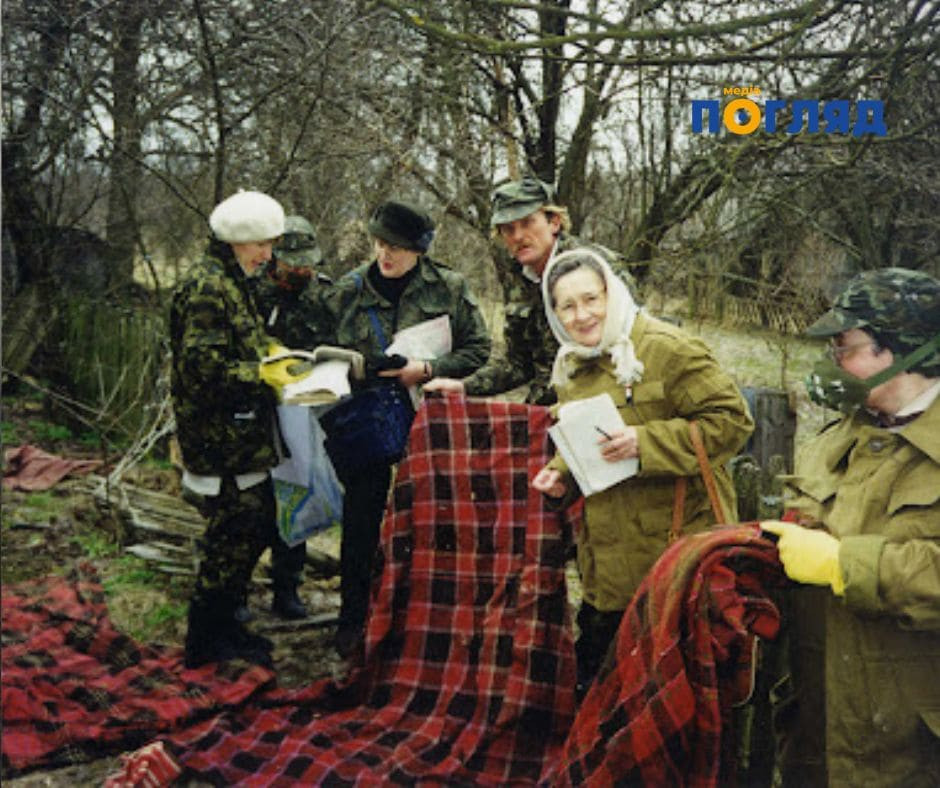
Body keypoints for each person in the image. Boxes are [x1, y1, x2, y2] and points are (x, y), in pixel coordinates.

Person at [530, 248, 753, 697]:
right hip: (607, 573)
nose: (582, 315)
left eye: (591, 299)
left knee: (673, 703)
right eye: (567, 306)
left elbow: (732, 423)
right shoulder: (572, 365)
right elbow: (589, 438)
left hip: (675, 563)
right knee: (606, 700)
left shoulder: (668, 349)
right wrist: (560, 472)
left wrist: (645, 443)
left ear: (612, 293)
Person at [762, 268, 940, 787]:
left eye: (846, 347)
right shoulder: (837, 438)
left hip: (909, 748)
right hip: (818, 730)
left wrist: (845, 565)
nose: (834, 363)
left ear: (903, 350)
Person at [314, 200, 491, 658]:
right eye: (378, 244)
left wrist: (430, 367)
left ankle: (424, 620)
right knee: (361, 524)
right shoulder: (348, 290)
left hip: (427, 421)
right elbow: (314, 351)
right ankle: (353, 620)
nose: (384, 255)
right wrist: (349, 367)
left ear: (419, 251)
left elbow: (479, 348)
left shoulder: (448, 287)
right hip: (367, 423)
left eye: (395, 247)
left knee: (429, 523)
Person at [169, 190, 311, 668]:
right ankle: (205, 641)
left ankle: (225, 625)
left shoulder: (232, 280)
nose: (268, 255)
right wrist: (260, 374)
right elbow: (201, 369)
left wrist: (268, 353)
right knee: (231, 536)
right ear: (237, 241)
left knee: (252, 528)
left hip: (240, 435)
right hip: (219, 439)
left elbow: (237, 342)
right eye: (262, 245)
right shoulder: (209, 287)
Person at [425, 174, 637, 406]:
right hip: (547, 403)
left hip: (606, 399)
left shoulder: (595, 265)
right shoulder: (518, 277)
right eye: (508, 229)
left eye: (527, 223)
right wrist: (463, 386)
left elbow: (633, 343)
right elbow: (518, 363)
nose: (518, 237)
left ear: (554, 222)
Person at [237, 214, 332, 621]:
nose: (301, 271)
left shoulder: (325, 294)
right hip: (254, 409)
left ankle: (287, 588)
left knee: (294, 496)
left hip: (304, 410)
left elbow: (337, 346)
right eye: (293, 263)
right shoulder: (248, 290)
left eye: (306, 263)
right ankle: (234, 591)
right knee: (250, 502)